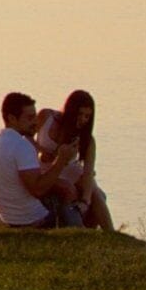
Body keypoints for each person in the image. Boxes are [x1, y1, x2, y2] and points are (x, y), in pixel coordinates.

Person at [0, 91, 67, 229]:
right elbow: (38, 189)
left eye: (35, 117)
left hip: (8, 216)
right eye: (29, 118)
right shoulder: (21, 145)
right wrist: (61, 160)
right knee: (70, 192)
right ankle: (83, 236)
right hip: (32, 218)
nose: (35, 122)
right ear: (12, 118)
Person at [54, 87, 112, 232]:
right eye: (80, 114)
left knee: (97, 193)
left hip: (73, 174)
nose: (83, 120)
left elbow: (88, 171)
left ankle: (110, 232)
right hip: (52, 173)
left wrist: (85, 201)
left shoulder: (87, 141)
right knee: (89, 190)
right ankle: (89, 231)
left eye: (87, 116)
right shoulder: (51, 122)